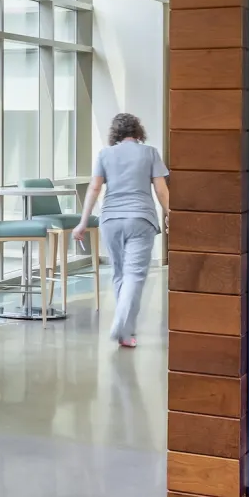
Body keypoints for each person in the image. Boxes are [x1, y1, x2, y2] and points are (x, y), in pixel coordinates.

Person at [72, 112, 170, 349]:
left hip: (110, 220)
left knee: (118, 274)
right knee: (135, 275)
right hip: (140, 219)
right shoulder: (150, 153)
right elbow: (161, 190)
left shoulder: (105, 154)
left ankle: (126, 332)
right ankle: (122, 325)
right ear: (138, 132)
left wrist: (83, 222)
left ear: (115, 133)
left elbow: (94, 189)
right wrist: (170, 214)